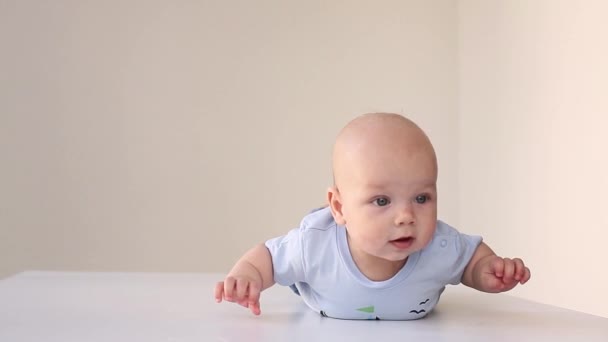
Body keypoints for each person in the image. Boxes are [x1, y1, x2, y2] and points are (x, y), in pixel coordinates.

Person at [214, 112, 531, 320]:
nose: (406, 216)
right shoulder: (314, 245)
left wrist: (487, 270)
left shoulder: (440, 246)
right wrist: (248, 276)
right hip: (325, 297)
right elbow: (267, 256)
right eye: (382, 201)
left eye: (421, 198)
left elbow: (470, 259)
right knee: (291, 267)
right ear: (338, 208)